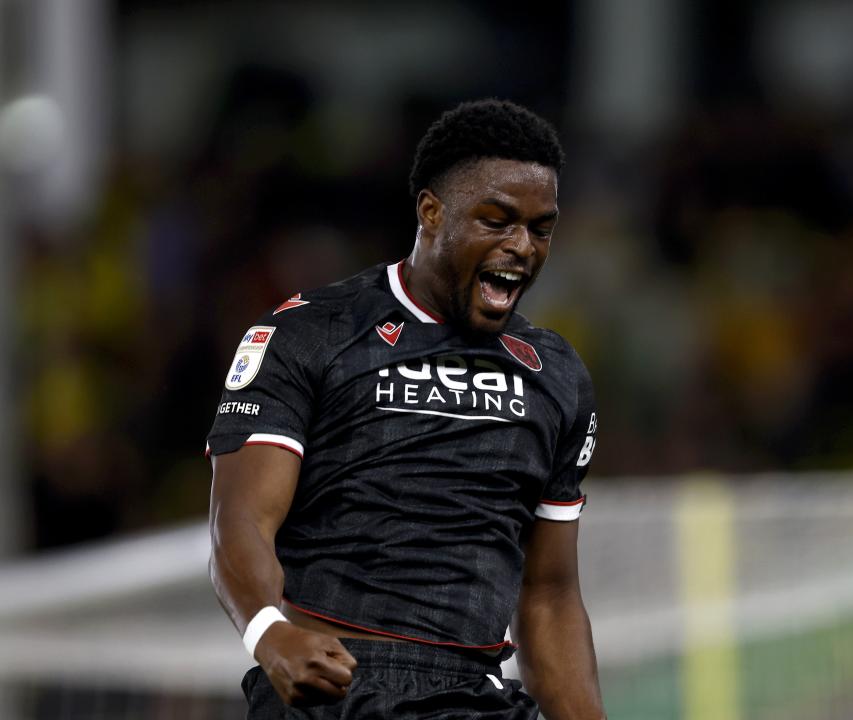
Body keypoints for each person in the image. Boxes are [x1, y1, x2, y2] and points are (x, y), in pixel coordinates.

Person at [206, 98, 605, 719]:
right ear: (431, 212)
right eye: (497, 220)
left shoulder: (555, 374)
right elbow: (241, 519)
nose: (522, 246)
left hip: (476, 697)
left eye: (540, 228)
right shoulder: (311, 334)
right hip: (335, 688)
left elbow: (550, 594)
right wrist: (268, 634)